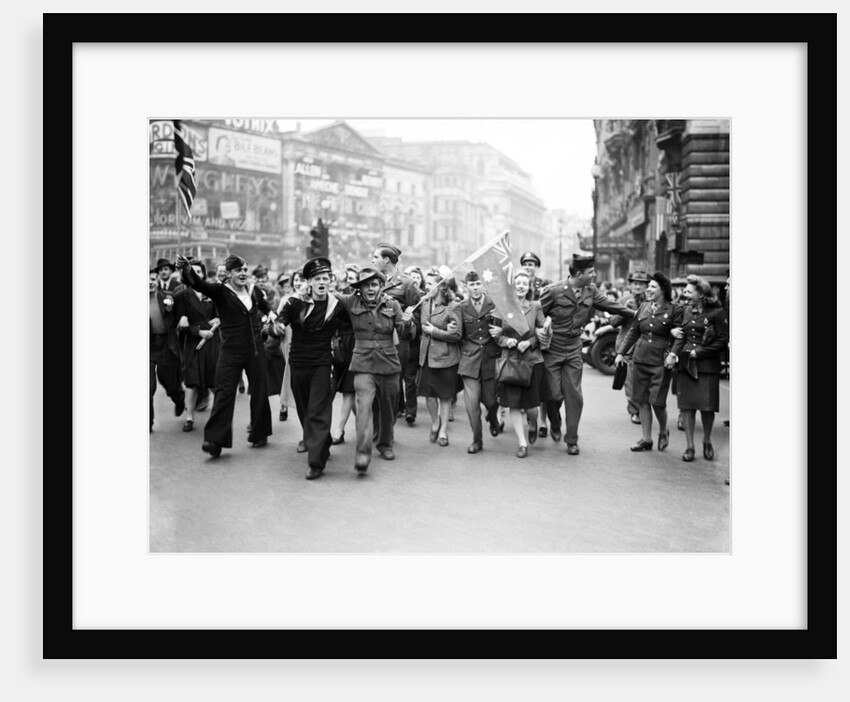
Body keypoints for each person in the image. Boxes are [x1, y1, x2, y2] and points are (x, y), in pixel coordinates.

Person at [175, 253, 274, 457]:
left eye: (245, 270)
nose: (243, 273)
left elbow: (266, 308)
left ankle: (260, 432)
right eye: (238, 270)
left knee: (260, 391)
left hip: (255, 350)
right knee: (223, 393)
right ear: (228, 274)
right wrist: (186, 269)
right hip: (229, 352)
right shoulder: (220, 291)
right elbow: (199, 284)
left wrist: (276, 319)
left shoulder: (254, 291)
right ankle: (214, 440)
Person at [539, 254, 635, 455]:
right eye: (590, 272)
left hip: (574, 348)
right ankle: (554, 421)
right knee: (553, 394)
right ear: (578, 274)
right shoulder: (554, 291)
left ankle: (572, 440)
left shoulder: (590, 290)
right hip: (552, 349)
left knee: (575, 396)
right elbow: (536, 314)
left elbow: (611, 305)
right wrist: (539, 332)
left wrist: (636, 315)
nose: (594, 275)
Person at [334, 267, 415, 475]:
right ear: (359, 288)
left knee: (388, 409)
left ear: (380, 286)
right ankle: (362, 452)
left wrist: (407, 322)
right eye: (366, 285)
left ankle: (385, 444)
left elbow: (407, 333)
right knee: (364, 408)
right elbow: (330, 296)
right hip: (362, 364)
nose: (370, 288)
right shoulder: (351, 302)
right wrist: (309, 288)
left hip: (388, 363)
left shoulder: (393, 304)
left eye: (374, 284)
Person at [274, 257, 348, 479]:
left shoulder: (337, 304)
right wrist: (276, 327)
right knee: (306, 411)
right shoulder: (295, 302)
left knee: (317, 410)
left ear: (331, 281)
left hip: (322, 363)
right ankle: (321, 442)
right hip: (298, 363)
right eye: (317, 279)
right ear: (309, 282)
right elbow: (281, 320)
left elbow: (350, 326)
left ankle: (316, 462)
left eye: (325, 278)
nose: (322, 282)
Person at [614, 272, 682, 452]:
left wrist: (673, 354)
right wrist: (621, 353)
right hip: (640, 358)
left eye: (653, 287)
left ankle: (663, 430)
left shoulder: (674, 310)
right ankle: (646, 439)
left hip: (661, 361)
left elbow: (680, 336)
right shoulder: (644, 306)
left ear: (663, 290)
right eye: (649, 287)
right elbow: (634, 332)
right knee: (642, 400)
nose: (648, 290)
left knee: (658, 402)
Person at [670, 275, 730, 463]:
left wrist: (700, 353)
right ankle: (689, 446)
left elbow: (722, 340)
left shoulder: (717, 313)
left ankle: (706, 440)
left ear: (701, 293)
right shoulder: (685, 310)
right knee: (686, 407)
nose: (685, 294)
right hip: (686, 365)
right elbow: (677, 331)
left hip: (707, 366)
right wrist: (673, 337)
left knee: (707, 407)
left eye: (689, 291)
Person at [493, 271, 549, 458]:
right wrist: (505, 341)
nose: (521, 286)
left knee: (532, 405)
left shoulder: (535, 306)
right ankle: (522, 442)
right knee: (514, 404)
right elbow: (496, 335)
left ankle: (533, 423)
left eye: (525, 283)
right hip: (510, 361)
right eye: (518, 282)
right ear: (512, 285)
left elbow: (544, 334)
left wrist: (531, 342)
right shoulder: (503, 307)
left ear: (529, 287)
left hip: (532, 361)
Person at [371, 243, 422, 426]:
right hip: (375, 340)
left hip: (398, 341)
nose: (372, 260)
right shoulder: (373, 280)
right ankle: (380, 423)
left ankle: (388, 427)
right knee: (377, 384)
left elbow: (418, 310)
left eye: (376, 257)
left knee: (393, 384)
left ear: (386, 260)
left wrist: (409, 317)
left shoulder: (407, 283)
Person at [415, 269, 462, 447]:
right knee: (428, 394)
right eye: (425, 284)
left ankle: (443, 430)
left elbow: (457, 335)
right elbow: (420, 326)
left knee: (445, 395)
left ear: (441, 286)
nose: (426, 287)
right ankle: (434, 422)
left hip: (445, 357)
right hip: (426, 356)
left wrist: (436, 332)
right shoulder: (425, 303)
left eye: (430, 284)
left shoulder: (453, 306)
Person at [173, 259, 220, 432]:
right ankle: (189, 418)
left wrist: (218, 320)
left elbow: (220, 315)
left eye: (199, 272)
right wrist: (198, 332)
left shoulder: (212, 294)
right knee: (192, 382)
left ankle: (220, 415)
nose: (196, 275)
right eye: (193, 271)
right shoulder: (181, 296)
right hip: (193, 344)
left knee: (215, 381)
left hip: (213, 342)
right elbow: (179, 325)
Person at [457, 270, 502, 453]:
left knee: (491, 401)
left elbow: (509, 324)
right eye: (471, 285)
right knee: (471, 403)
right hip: (469, 359)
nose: (475, 288)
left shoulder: (495, 303)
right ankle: (477, 440)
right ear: (466, 287)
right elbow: (458, 334)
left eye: (477, 284)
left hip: (491, 357)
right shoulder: (461, 306)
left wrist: (502, 332)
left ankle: (492, 417)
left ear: (483, 285)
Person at [609, 270, 651, 425]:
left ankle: (644, 407)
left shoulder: (652, 301)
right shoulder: (624, 300)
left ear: (648, 286)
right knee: (631, 382)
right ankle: (635, 411)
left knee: (646, 382)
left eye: (641, 283)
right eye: (634, 283)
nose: (637, 287)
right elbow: (613, 322)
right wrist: (624, 311)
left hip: (648, 347)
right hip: (628, 348)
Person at [519, 251, 553, 437]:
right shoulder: (516, 283)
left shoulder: (544, 284)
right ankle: (528, 413)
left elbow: (549, 309)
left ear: (536, 266)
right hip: (521, 334)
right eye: (525, 264)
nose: (528, 267)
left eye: (531, 264)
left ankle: (542, 421)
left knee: (542, 382)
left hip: (539, 334)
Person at [150, 268, 185, 431]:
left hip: (166, 343)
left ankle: (179, 398)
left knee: (168, 381)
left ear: (157, 281)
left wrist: (175, 313)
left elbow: (179, 317)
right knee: (148, 386)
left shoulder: (167, 298)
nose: (149, 282)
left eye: (152, 279)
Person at [331, 265, 360, 445]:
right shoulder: (333, 295)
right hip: (340, 347)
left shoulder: (353, 298)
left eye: (351, 278)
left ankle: (339, 429)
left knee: (349, 390)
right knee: (346, 389)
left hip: (354, 346)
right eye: (346, 278)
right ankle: (364, 422)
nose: (349, 281)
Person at [402, 265, 427, 424]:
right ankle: (399, 406)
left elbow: (422, 322)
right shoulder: (400, 297)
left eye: (417, 277)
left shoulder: (424, 298)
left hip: (414, 344)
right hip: (398, 342)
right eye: (411, 277)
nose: (414, 280)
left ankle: (411, 410)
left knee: (410, 380)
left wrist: (412, 317)